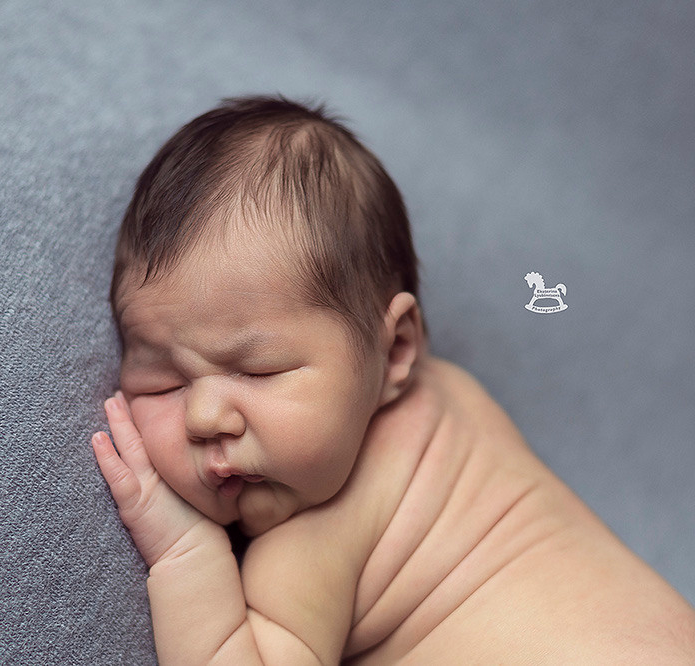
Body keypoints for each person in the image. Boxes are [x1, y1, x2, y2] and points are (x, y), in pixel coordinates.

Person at [90, 95, 695, 664]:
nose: (203, 419)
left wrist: (184, 554)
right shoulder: (457, 399)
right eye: (163, 383)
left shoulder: (312, 535)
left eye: (258, 370)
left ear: (396, 348)